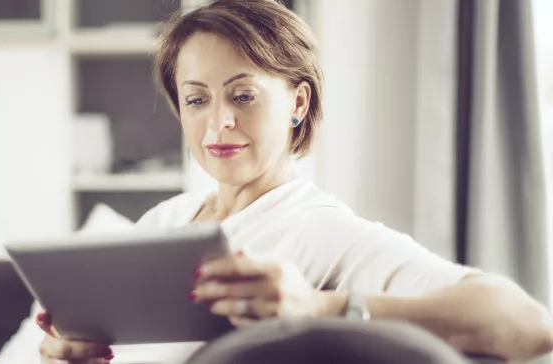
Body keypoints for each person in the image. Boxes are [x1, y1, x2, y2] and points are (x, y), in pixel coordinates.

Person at [36, 0, 553, 363]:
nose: (218, 122)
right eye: (197, 99)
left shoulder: (322, 231)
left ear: (298, 103)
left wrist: (321, 306)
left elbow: (528, 326)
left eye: (243, 95)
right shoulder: (163, 220)